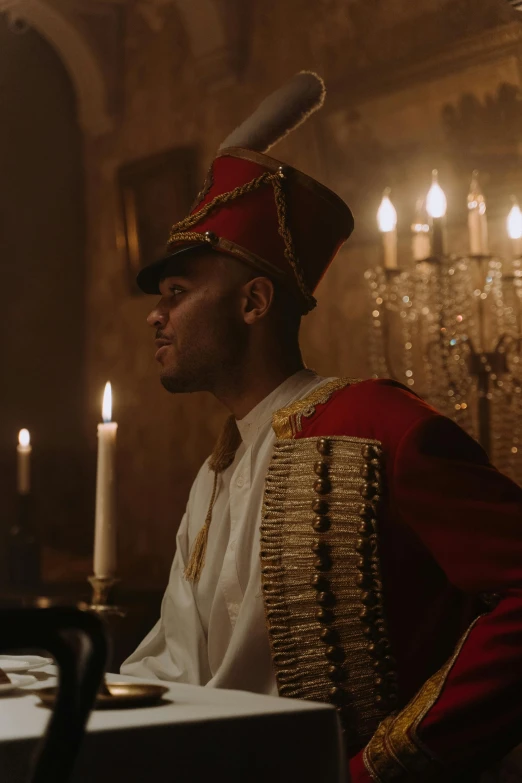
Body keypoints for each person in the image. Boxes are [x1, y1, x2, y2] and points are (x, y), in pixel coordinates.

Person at [121, 73, 522, 782]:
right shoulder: (215, 471)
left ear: (253, 301)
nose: (158, 314)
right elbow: (183, 665)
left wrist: (384, 762)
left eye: (178, 294)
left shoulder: (378, 424)